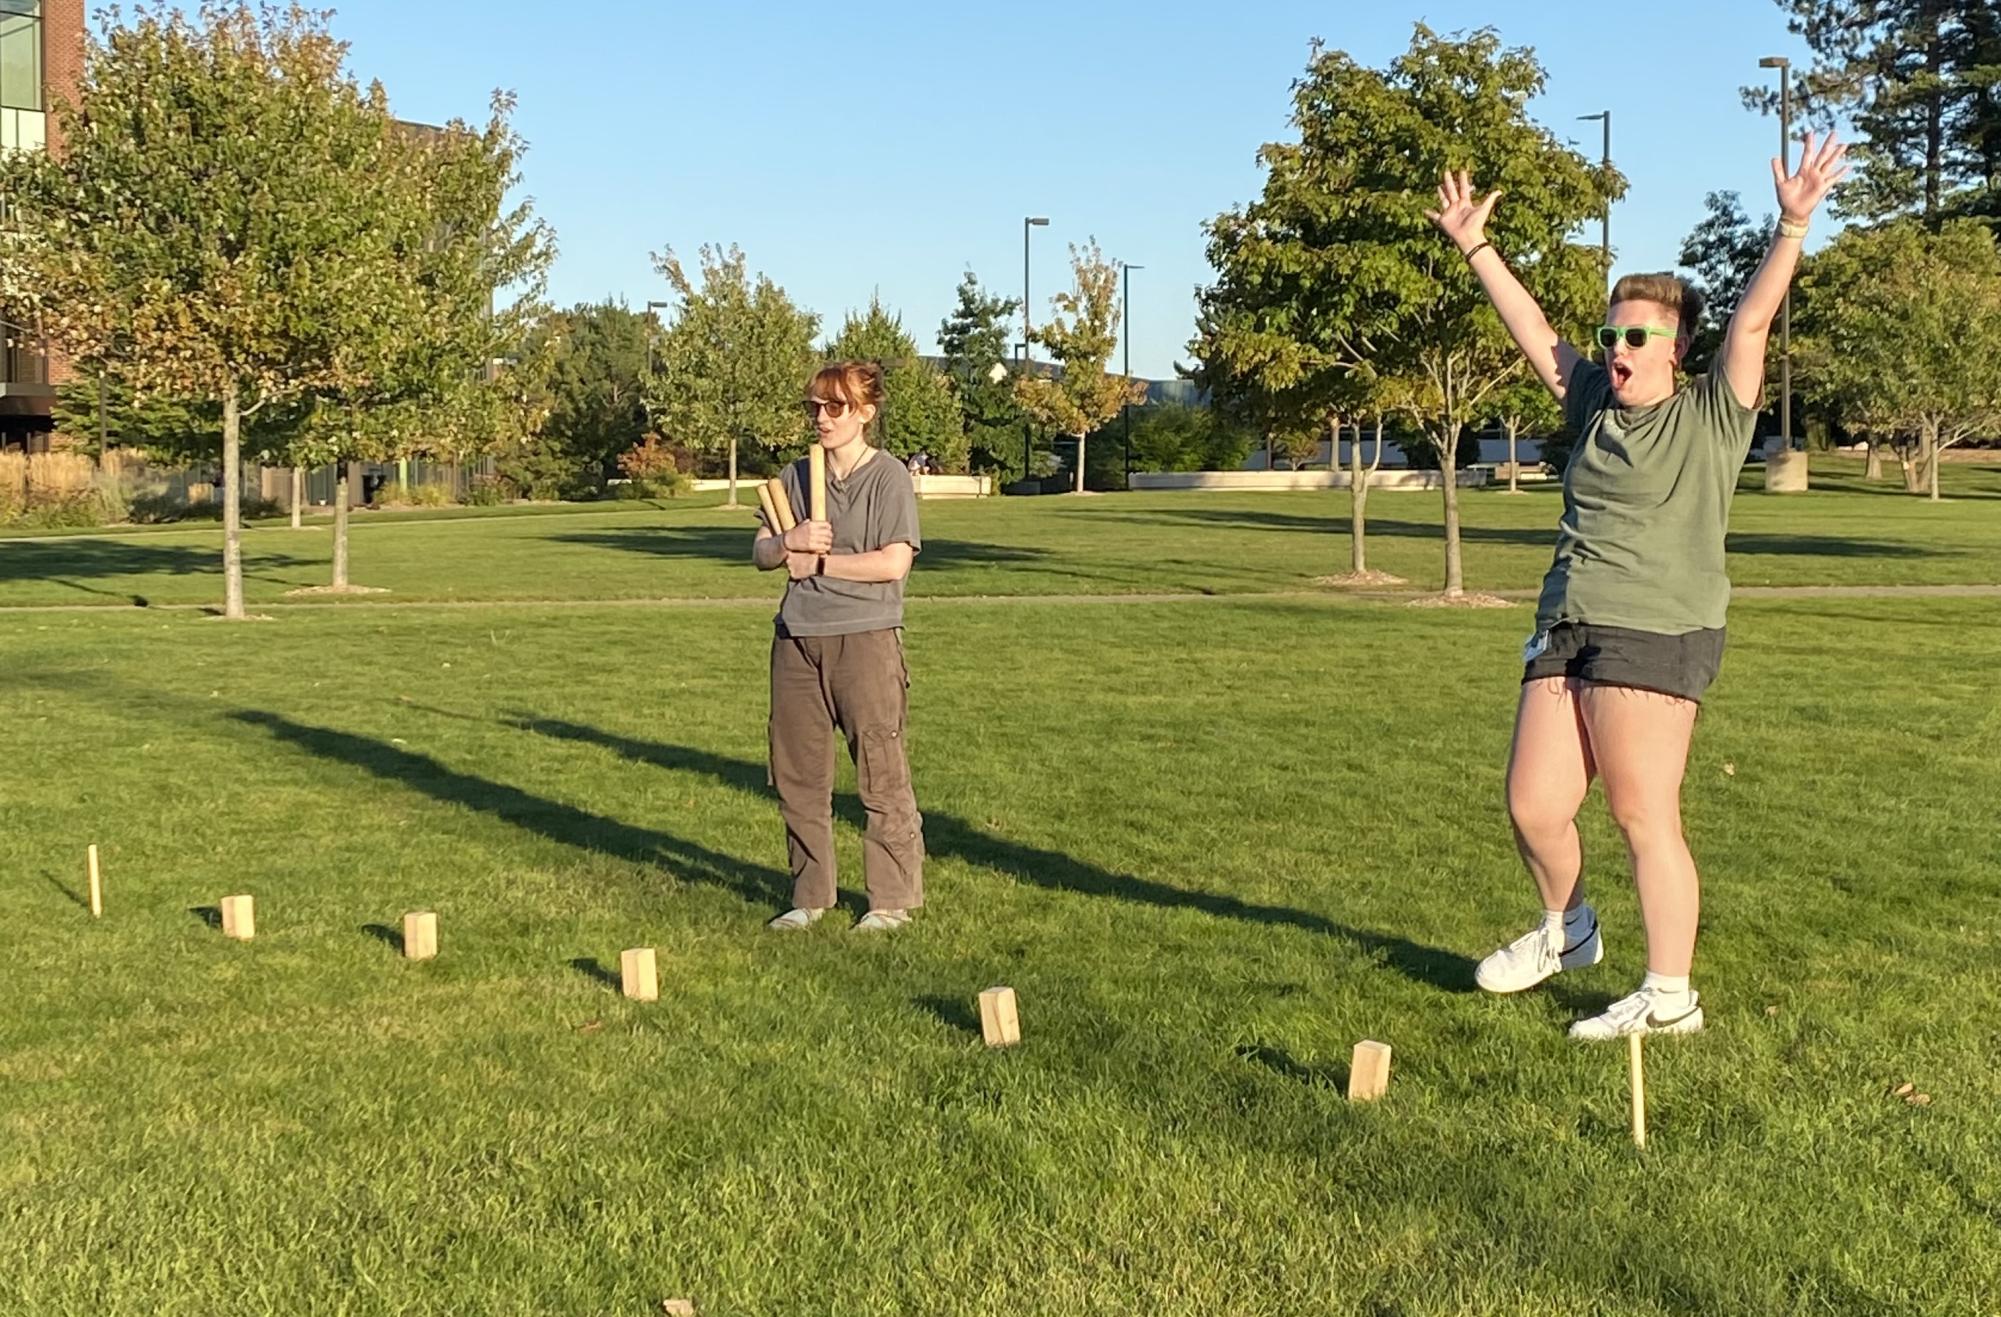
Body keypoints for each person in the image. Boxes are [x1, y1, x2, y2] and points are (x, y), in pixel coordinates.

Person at [1426, 132, 1848, 1039]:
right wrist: (1474, 244)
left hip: (1659, 626)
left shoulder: (1708, 411)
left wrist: (1791, 225)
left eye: (1634, 336)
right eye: (1610, 332)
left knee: (1640, 811)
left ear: (1673, 349)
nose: (1614, 347)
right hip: (1567, 619)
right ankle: (1567, 927)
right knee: (1533, 805)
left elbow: (1750, 327)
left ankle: (1668, 995)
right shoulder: (1589, 402)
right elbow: (1534, 332)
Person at [752, 361, 925, 933]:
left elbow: (894, 562)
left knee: (880, 769)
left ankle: (890, 901)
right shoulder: (795, 476)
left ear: (865, 413)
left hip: (866, 639)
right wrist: (788, 541)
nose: (822, 418)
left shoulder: (889, 477)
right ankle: (810, 895)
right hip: (798, 638)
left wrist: (822, 560)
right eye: (815, 408)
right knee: (799, 775)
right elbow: (760, 554)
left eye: (835, 407)